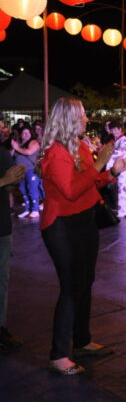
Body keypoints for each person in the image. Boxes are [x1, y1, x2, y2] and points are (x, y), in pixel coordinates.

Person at [39, 98, 126, 375]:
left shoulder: (79, 146)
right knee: (71, 286)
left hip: (83, 221)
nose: (85, 120)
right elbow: (70, 190)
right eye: (81, 116)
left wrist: (111, 172)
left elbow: (88, 185)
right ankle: (58, 355)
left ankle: (82, 341)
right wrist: (99, 166)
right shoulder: (55, 152)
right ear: (67, 119)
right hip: (61, 226)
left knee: (85, 282)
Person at [0, 148, 25, 353]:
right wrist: (4, 180)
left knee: (2, 281)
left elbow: (8, 189)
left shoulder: (1, 152)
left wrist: (12, 181)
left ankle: (0, 327)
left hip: (2, 226)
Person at [11, 125, 41, 219]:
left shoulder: (33, 142)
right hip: (20, 171)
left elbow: (29, 152)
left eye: (28, 133)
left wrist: (17, 148)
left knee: (33, 190)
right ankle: (28, 209)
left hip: (31, 170)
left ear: (31, 134)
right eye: (24, 133)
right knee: (23, 190)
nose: (26, 135)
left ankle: (35, 210)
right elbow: (11, 155)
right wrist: (14, 146)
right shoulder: (19, 143)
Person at [105, 119, 126, 218]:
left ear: (120, 129)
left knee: (123, 189)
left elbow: (122, 152)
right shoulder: (118, 140)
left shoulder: (124, 140)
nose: (113, 132)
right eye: (112, 130)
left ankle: (123, 210)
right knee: (120, 189)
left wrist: (109, 156)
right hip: (119, 167)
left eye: (115, 129)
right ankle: (122, 210)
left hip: (123, 167)